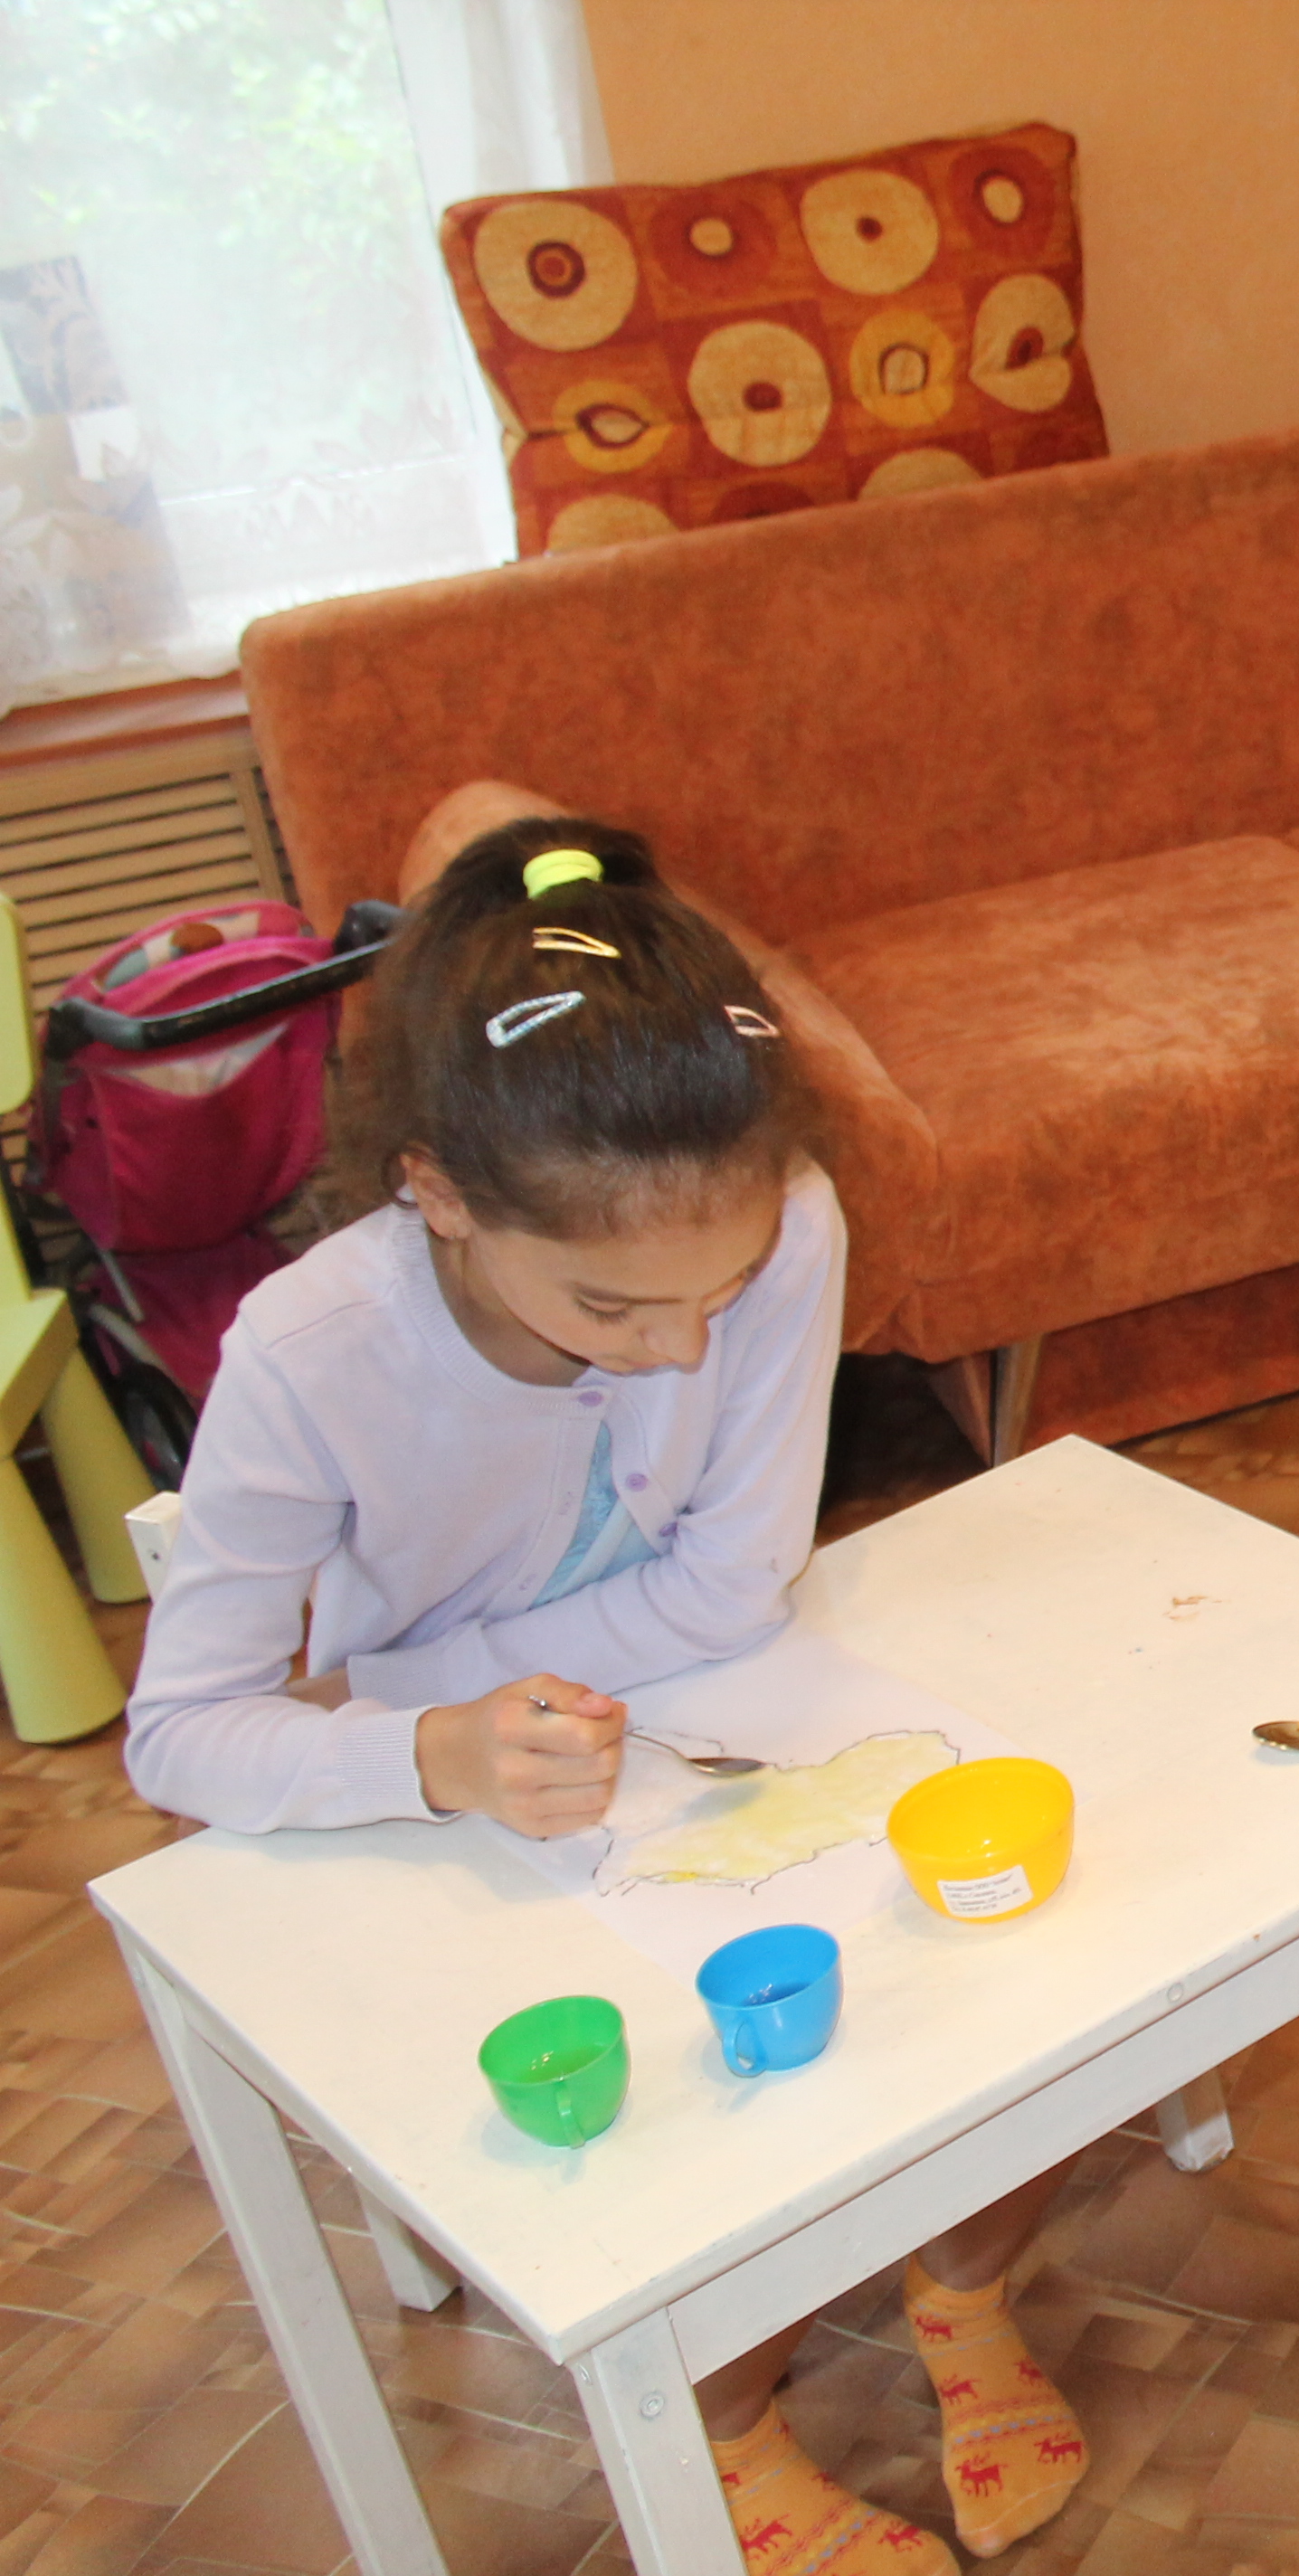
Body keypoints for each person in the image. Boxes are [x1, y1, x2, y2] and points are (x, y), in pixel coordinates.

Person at [123, 819, 1088, 2573]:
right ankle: (723, 2420)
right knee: (666, 2106)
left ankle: (960, 2284)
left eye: (724, 1292)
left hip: (711, 1699)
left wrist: (436, 1687)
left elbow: (733, 1584)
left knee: (1004, 1969)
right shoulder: (312, 1352)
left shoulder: (785, 1213)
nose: (683, 1349)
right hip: (445, 1799)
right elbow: (181, 1734)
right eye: (612, 1307)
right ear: (438, 1193)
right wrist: (429, 1742)